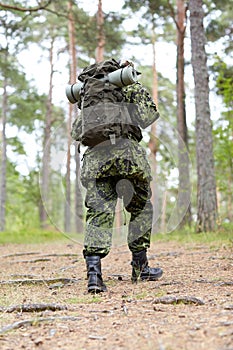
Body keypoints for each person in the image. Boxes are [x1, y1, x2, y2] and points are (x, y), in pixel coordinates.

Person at [73, 60, 163, 293]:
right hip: (129, 160)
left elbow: (76, 132)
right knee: (141, 209)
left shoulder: (91, 95)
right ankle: (140, 267)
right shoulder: (127, 89)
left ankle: (94, 276)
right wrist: (135, 86)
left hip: (96, 163)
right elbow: (149, 116)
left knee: (98, 214)